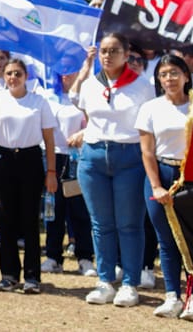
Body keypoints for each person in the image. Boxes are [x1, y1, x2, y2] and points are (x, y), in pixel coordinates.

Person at [73, 34, 154, 306]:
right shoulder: (90, 86)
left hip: (129, 156)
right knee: (101, 224)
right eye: (103, 51)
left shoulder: (142, 86)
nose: (107, 56)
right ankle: (105, 280)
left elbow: (147, 126)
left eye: (113, 51)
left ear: (126, 53)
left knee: (129, 224)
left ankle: (130, 283)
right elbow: (90, 119)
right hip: (94, 157)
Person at [0, 56, 57, 294]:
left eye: (17, 73)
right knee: (6, 221)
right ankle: (8, 275)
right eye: (9, 74)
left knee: (29, 221)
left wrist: (51, 172)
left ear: (26, 76)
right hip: (4, 161)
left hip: (30, 161)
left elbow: (49, 139)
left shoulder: (39, 102)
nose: (13, 78)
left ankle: (32, 277)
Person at [135, 54, 193, 319]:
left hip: (190, 175)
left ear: (186, 76)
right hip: (161, 173)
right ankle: (172, 296)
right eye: (163, 74)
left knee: (192, 238)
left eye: (174, 73)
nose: (169, 79)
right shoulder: (150, 108)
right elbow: (147, 152)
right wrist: (156, 186)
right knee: (166, 239)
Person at [39, 71, 97, 278]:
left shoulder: (84, 97)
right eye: (61, 71)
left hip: (75, 157)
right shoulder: (46, 95)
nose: (65, 76)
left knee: (79, 210)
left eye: (71, 71)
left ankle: (84, 257)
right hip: (52, 157)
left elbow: (93, 124)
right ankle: (53, 257)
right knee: (53, 209)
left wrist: (82, 134)